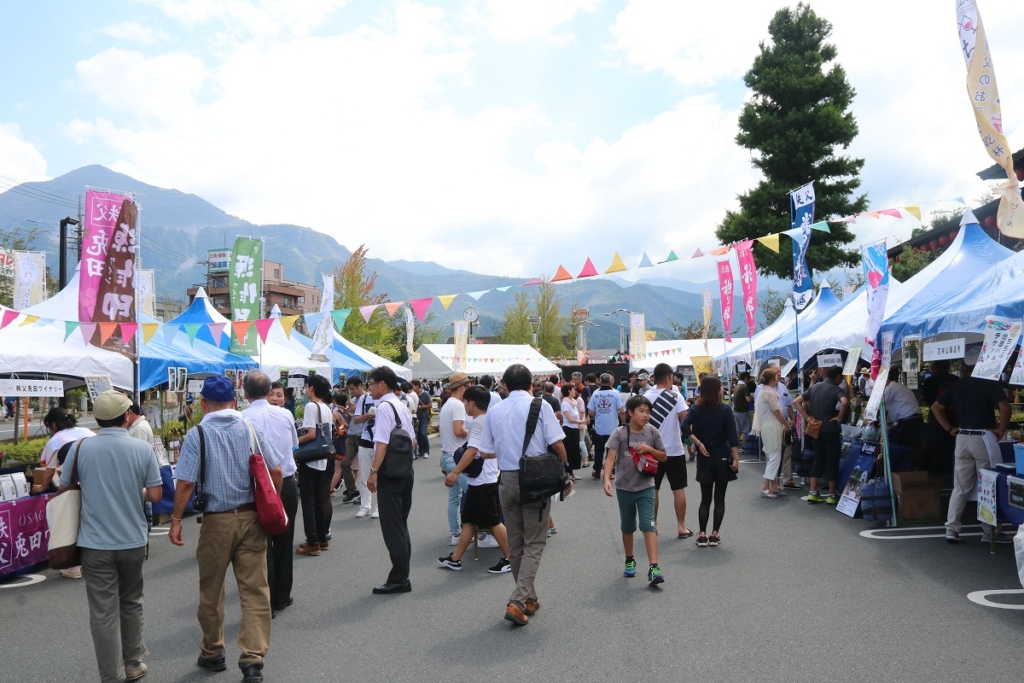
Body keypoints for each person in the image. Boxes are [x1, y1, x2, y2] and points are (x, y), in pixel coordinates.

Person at [169, 375, 285, 683]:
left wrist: (176, 520)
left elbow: (185, 483)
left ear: (204, 403)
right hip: (251, 518)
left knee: (211, 590)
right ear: (234, 401)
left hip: (216, 521)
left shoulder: (197, 435)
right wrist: (271, 501)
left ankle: (213, 651)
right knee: (255, 590)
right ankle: (252, 660)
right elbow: (275, 470)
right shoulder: (250, 428)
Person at [60, 391, 163, 683]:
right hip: (132, 540)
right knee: (131, 602)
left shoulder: (80, 447)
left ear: (96, 418)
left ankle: (110, 676)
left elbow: (65, 486)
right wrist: (134, 490)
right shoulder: (141, 449)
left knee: (103, 612)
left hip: (93, 543)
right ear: (126, 415)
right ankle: (133, 663)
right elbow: (155, 494)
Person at [478, 364, 569, 626]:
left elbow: (485, 451)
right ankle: (518, 601)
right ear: (532, 383)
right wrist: (567, 469)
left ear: (504, 385)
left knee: (516, 544)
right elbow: (556, 443)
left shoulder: (494, 411)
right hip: (535, 480)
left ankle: (529, 598)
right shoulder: (540, 406)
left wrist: (508, 449)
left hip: (506, 479)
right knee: (535, 542)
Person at [931, 349, 1012, 543]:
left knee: (960, 486)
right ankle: (989, 530)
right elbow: (1005, 406)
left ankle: (951, 528)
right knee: (988, 484)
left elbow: (936, 407)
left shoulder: (957, 385)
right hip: (982, 438)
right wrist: (1001, 428)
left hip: (962, 437)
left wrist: (949, 428)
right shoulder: (988, 383)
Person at [241, 371, 299, 615]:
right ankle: (282, 596)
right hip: (285, 481)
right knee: (284, 541)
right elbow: (294, 444)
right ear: (268, 393)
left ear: (244, 394)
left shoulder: (240, 418)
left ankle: (266, 599)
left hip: (255, 486)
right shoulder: (285, 414)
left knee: (260, 544)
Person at [438, 386, 512, 574]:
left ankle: (510, 558)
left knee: (493, 521)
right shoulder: (488, 419)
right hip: (483, 478)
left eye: (465, 402)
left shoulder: (478, 423)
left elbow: (472, 451)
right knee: (469, 519)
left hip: (482, 480)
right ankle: (456, 559)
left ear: (472, 403)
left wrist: (454, 472)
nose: (463, 405)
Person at [364, 366, 417, 594]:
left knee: (392, 527)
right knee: (400, 524)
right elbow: (412, 441)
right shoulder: (400, 405)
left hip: (390, 474)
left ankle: (399, 578)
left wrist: (374, 471)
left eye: (371, 383)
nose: (370, 388)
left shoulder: (384, 407)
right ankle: (401, 574)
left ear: (382, 384)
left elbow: (382, 443)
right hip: (406, 471)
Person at [603, 395, 667, 586]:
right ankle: (630, 558)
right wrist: (606, 479)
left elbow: (663, 457)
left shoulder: (653, 432)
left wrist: (649, 449)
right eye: (641, 411)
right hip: (624, 488)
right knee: (628, 526)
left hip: (646, 486)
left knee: (648, 526)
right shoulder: (620, 433)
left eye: (648, 412)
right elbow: (610, 458)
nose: (645, 415)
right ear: (630, 413)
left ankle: (654, 567)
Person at [681, 375, 739, 547]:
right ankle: (715, 534)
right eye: (720, 387)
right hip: (722, 455)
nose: (722, 389)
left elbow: (684, 427)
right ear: (716, 390)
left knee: (705, 499)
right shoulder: (725, 409)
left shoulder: (696, 409)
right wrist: (736, 458)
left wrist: (698, 443)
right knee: (719, 498)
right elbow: (732, 436)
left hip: (704, 457)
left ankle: (702, 534)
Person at [645, 363, 692, 538]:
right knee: (678, 488)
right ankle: (681, 527)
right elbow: (686, 421)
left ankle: (653, 525)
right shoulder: (675, 396)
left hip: (652, 451)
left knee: (652, 489)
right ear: (667, 378)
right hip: (673, 450)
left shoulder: (645, 396)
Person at [794, 365, 849, 505]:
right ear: (837, 377)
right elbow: (845, 402)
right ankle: (831, 494)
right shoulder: (837, 389)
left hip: (815, 428)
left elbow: (796, 401)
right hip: (830, 428)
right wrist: (839, 418)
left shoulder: (815, 387)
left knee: (818, 459)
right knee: (832, 460)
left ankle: (812, 492)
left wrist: (807, 418)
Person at [295, 375, 335, 555]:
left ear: (311, 388)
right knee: (319, 500)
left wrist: (293, 441)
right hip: (323, 459)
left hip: (310, 459)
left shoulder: (311, 406)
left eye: (306, 387)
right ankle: (321, 538)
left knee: (308, 502)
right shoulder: (326, 407)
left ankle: (312, 542)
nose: (304, 390)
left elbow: (311, 434)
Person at [440, 372, 472, 545]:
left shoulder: (447, 404)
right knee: (473, 494)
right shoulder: (458, 405)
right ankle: (478, 532)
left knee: (454, 498)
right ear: (461, 388)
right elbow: (458, 431)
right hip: (457, 456)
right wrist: (474, 430)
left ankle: (456, 534)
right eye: (467, 386)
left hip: (448, 455)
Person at [753, 369, 791, 498]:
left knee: (772, 457)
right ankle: (765, 486)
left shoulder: (762, 391)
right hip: (773, 427)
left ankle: (768, 486)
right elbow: (777, 412)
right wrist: (786, 424)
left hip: (766, 426)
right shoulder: (769, 393)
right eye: (776, 376)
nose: (778, 378)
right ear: (772, 379)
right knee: (775, 458)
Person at [588, 373, 626, 481]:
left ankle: (597, 470)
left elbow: (590, 412)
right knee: (612, 450)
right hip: (613, 427)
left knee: (599, 450)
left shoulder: (595, 394)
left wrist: (599, 415)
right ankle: (609, 472)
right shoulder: (615, 393)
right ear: (610, 382)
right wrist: (623, 423)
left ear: (600, 381)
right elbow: (622, 411)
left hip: (599, 427)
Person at [350, 375, 379, 519]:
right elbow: (356, 419)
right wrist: (367, 416)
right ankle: (365, 506)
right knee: (364, 474)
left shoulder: (386, 400)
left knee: (380, 475)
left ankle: (378, 507)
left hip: (381, 441)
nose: (371, 388)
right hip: (366, 439)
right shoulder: (364, 399)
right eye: (371, 385)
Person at [882, 368, 924, 449]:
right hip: (913, 419)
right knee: (909, 448)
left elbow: (879, 404)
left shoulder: (890, 388)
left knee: (903, 448)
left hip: (909, 420)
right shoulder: (897, 386)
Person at [560, 383, 585, 478]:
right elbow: (569, 419)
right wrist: (580, 421)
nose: (575, 391)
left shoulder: (573, 402)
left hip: (574, 429)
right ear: (569, 391)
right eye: (573, 389)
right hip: (568, 429)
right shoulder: (565, 403)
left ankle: (572, 472)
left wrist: (579, 422)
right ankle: (568, 472)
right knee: (569, 451)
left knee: (575, 450)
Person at [732, 373, 751, 444]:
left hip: (735, 411)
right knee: (746, 431)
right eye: (749, 379)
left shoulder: (737, 386)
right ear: (746, 378)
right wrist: (753, 397)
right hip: (742, 412)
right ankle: (745, 447)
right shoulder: (744, 387)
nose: (749, 381)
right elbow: (748, 399)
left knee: (738, 430)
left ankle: (734, 446)